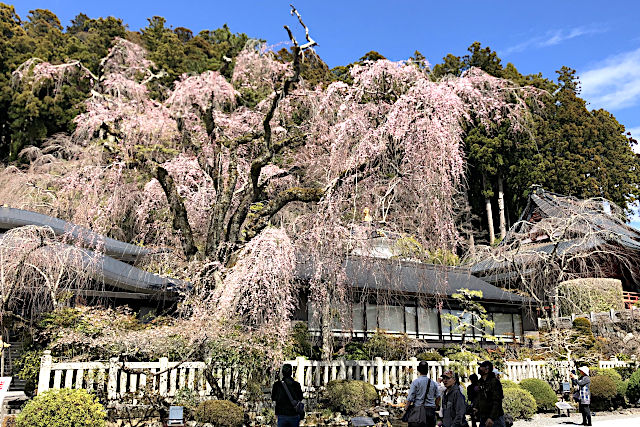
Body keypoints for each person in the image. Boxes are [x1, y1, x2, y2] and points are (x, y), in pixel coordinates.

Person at [405, 361, 442, 427]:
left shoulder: (415, 382)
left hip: (418, 410)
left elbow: (410, 398)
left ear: (418, 370)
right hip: (430, 410)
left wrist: (406, 408)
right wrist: (435, 406)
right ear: (427, 370)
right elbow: (438, 397)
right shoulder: (433, 383)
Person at [476, 361, 505, 427]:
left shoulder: (494, 382)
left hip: (495, 418)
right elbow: (480, 397)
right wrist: (476, 407)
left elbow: (497, 401)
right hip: (483, 417)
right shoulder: (480, 382)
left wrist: (491, 417)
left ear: (486, 370)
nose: (479, 368)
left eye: (481, 367)